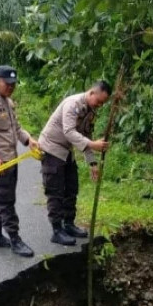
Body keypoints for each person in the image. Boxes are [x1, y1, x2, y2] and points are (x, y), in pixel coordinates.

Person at [0, 65, 40, 257]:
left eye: (13, 84)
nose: (11, 87)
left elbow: (17, 129)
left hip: (11, 158)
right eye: (7, 84)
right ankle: (15, 239)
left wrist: (29, 140)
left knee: (2, 197)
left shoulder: (9, 102)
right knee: (6, 201)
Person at [38, 81, 111, 246]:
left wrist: (92, 163)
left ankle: (68, 224)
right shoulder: (73, 104)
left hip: (66, 150)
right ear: (91, 93)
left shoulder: (90, 111)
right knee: (55, 190)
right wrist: (93, 145)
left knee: (72, 187)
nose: (99, 106)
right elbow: (69, 131)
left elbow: (85, 137)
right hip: (51, 148)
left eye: (103, 104)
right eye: (98, 101)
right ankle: (57, 230)